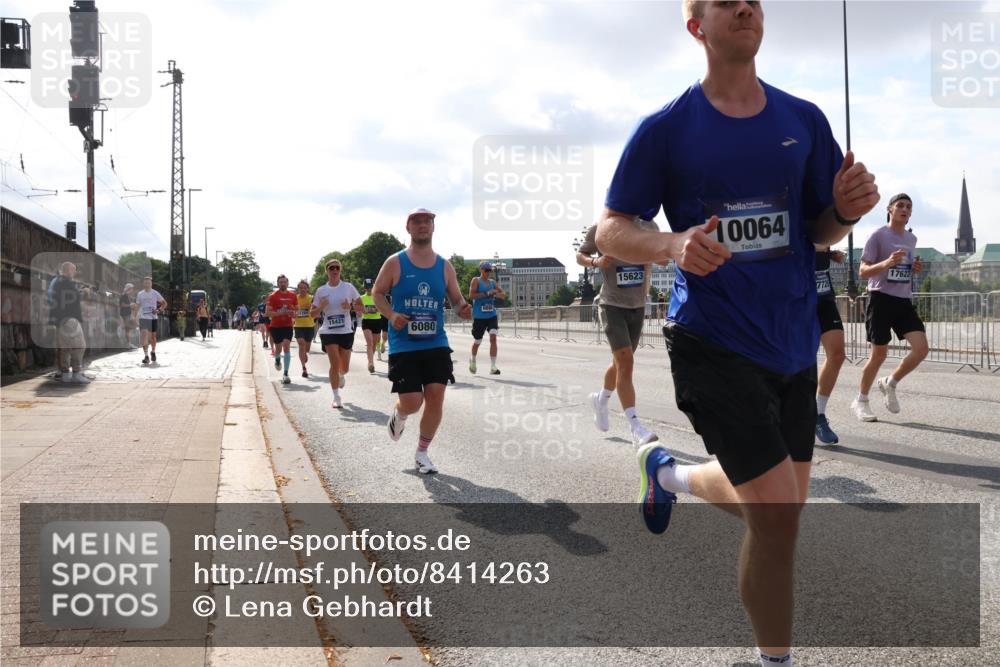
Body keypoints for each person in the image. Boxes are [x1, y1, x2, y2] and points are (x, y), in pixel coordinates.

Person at [595, 2, 880, 664]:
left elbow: (818, 230)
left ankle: (665, 475)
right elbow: (610, 227)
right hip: (711, 339)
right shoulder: (666, 129)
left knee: (781, 515)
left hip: (790, 340)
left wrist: (843, 208)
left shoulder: (803, 119)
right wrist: (670, 242)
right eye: (725, 1)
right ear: (697, 27)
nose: (746, 7)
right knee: (777, 516)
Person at [372, 208, 473, 474]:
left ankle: (422, 453)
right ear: (408, 228)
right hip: (404, 344)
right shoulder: (395, 262)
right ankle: (401, 413)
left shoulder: (444, 265)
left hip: (436, 342)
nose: (422, 226)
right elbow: (378, 293)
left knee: (436, 397)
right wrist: (392, 314)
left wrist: (464, 309)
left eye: (427, 221)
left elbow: (457, 300)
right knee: (413, 402)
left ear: (433, 227)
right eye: (416, 222)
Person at [576, 219, 659, 446]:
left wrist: (664, 256)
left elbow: (660, 254)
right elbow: (580, 254)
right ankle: (635, 427)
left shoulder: (649, 227)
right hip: (611, 304)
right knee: (626, 360)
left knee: (621, 363)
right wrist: (596, 261)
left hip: (638, 305)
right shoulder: (602, 227)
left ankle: (601, 399)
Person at [852, 193, 927, 422]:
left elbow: (903, 269)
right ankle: (861, 401)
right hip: (881, 298)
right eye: (900, 205)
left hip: (903, 300)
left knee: (922, 349)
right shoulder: (878, 235)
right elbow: (863, 271)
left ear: (910, 213)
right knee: (879, 355)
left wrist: (913, 268)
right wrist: (887, 262)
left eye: (908, 207)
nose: (904, 209)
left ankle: (890, 383)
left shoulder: (911, 239)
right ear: (890, 209)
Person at [311, 260, 363, 407]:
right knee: (334, 364)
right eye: (331, 268)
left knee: (344, 368)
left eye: (337, 268)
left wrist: (351, 306)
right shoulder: (321, 291)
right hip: (328, 331)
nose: (334, 270)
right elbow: (312, 315)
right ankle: (336, 397)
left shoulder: (349, 287)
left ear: (340, 270)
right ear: (326, 271)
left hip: (346, 331)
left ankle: (341, 375)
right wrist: (321, 306)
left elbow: (362, 308)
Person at [814, 245, 847, 443]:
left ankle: (818, 415)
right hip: (797, 299)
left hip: (824, 298)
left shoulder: (824, 221)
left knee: (837, 355)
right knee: (801, 359)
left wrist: (830, 253)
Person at [47, 261, 91, 383]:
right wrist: (85, 292)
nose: (74, 272)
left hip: (60, 319)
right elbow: (75, 297)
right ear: (68, 270)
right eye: (73, 270)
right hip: (69, 319)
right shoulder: (66, 282)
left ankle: (65, 374)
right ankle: (76, 373)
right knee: (79, 346)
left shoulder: (57, 282)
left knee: (65, 347)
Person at [468, 261, 506, 375]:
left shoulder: (492, 282)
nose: (488, 272)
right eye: (486, 270)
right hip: (479, 316)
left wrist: (497, 293)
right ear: (481, 270)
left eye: (490, 270)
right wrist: (488, 293)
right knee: (478, 341)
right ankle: (473, 360)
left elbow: (503, 295)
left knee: (493, 338)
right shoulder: (476, 281)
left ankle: (493, 366)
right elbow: (472, 295)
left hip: (491, 315)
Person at [267, 275, 299, 384]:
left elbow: (297, 310)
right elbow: (267, 313)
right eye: (280, 282)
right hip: (275, 326)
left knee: (286, 346)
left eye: (284, 282)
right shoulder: (273, 296)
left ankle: (285, 374)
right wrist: (278, 313)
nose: (283, 284)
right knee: (278, 349)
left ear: (288, 283)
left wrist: (293, 313)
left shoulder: (293, 296)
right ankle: (277, 359)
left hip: (288, 325)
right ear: (278, 283)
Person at [136, 276, 167, 365]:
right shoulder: (140, 294)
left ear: (151, 284)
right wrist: (134, 316)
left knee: (153, 337)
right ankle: (146, 356)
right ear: (143, 284)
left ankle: (153, 351)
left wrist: (158, 310)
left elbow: (164, 304)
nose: (147, 284)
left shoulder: (155, 293)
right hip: (143, 317)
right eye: (145, 282)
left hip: (153, 317)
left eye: (148, 283)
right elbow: (138, 306)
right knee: (143, 336)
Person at [360, 279, 383, 373]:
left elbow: (383, 309)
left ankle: (370, 359)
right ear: (364, 288)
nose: (369, 289)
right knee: (369, 343)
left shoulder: (378, 297)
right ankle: (371, 363)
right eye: (367, 287)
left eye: (371, 287)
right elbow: (357, 310)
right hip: (366, 321)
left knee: (374, 344)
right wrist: (362, 310)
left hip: (377, 321)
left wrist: (379, 309)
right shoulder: (361, 298)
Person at [293, 280, 315, 378]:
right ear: (298, 289)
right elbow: (292, 310)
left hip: (309, 325)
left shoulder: (312, 298)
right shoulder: (295, 298)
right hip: (298, 325)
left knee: (307, 348)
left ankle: (305, 354)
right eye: (301, 288)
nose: (302, 290)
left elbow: (315, 309)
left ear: (307, 289)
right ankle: (304, 368)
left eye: (304, 288)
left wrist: (311, 308)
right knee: (301, 345)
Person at [119, 283, 137, 348]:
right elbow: (122, 305)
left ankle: (128, 344)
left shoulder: (126, 295)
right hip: (125, 314)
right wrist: (130, 305)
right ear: (129, 289)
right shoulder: (124, 295)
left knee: (128, 329)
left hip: (127, 314)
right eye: (132, 289)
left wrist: (131, 306)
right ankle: (128, 344)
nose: (132, 290)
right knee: (127, 329)